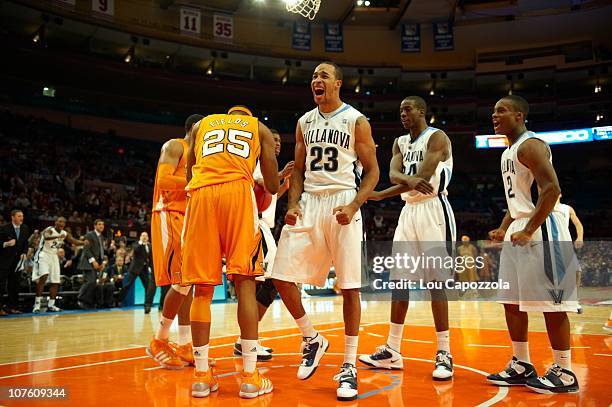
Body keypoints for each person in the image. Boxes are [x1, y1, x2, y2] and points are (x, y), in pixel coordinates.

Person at [271, 61, 379, 401]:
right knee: (280, 275)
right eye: (314, 76)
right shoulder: (304, 122)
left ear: (338, 85)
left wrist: (353, 205)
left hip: (343, 201)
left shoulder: (356, 120)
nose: (317, 80)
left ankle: (348, 365)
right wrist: (292, 204)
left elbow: (373, 172)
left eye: (324, 76)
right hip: (310, 204)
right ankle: (312, 338)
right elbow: (299, 170)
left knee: (349, 287)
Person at [182, 105, 279, 398]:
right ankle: (249, 377)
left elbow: (189, 173)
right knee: (246, 285)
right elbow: (272, 186)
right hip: (237, 195)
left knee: (202, 290)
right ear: (247, 118)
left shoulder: (201, 126)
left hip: (201, 196)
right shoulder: (258, 128)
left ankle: (200, 376)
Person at [487, 95, 579, 394]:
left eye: (501, 110)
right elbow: (518, 199)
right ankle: (521, 364)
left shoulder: (531, 144)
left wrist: (528, 228)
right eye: (493, 111)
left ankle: (565, 371)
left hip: (543, 230)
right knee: (511, 301)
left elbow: (552, 189)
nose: (494, 115)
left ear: (519, 115)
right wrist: (505, 227)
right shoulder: (509, 152)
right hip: (520, 227)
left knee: (553, 304)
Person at [359, 96, 455, 381]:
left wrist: (397, 185)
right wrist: (380, 193)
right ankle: (392, 349)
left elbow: (423, 177)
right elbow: (394, 174)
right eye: (400, 109)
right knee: (399, 281)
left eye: (407, 109)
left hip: (433, 209)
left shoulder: (437, 137)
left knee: (436, 283)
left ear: (422, 111)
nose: (402, 113)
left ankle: (444, 353)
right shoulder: (399, 143)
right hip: (408, 212)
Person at [234, 128, 294, 361]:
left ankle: (246, 341)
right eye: (274, 139)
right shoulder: (258, 160)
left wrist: (285, 183)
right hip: (254, 225)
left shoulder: (271, 166)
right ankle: (247, 342)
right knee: (264, 284)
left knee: (268, 287)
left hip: (264, 227)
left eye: (279, 140)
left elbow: (271, 194)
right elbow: (259, 181)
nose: (277, 143)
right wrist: (279, 174)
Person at [148, 114, 202, 370]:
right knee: (181, 280)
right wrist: (197, 181)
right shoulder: (175, 145)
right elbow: (164, 180)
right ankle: (159, 341)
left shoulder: (200, 159)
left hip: (187, 218)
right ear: (193, 128)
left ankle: (185, 344)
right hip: (168, 214)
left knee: (188, 281)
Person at [31, 216, 85, 312]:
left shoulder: (65, 233)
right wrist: (57, 237)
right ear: (55, 222)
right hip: (43, 254)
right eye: (60, 222)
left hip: (53, 255)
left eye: (63, 222)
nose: (61, 224)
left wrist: (84, 243)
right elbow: (46, 236)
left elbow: (74, 241)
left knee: (56, 281)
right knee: (43, 276)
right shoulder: (49, 229)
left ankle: (51, 305)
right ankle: (37, 305)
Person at [0, 209, 31, 315]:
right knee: (1, 285)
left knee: (15, 285)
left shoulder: (25, 228)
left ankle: (12, 307)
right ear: (12, 217)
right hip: (4, 261)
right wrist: (6, 244)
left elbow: (25, 243)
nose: (21, 218)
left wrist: (24, 253)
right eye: (19, 216)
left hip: (18, 261)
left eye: (22, 216)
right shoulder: (4, 228)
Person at [120, 232, 155, 313]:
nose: (144, 237)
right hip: (134, 269)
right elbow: (136, 250)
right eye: (143, 235)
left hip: (144, 269)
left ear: (148, 237)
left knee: (148, 287)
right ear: (140, 237)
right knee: (127, 285)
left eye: (146, 236)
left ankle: (147, 305)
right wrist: (141, 243)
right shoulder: (136, 244)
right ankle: (119, 300)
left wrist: (150, 267)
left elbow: (151, 258)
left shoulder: (150, 246)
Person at [77, 219, 107, 309]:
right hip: (87, 262)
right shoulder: (89, 235)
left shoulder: (101, 237)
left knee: (93, 283)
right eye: (99, 224)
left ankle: (88, 302)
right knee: (90, 282)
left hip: (96, 263)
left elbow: (101, 251)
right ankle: (80, 300)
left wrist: (101, 263)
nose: (101, 226)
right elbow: (86, 249)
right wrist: (93, 261)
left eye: (103, 224)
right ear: (95, 226)